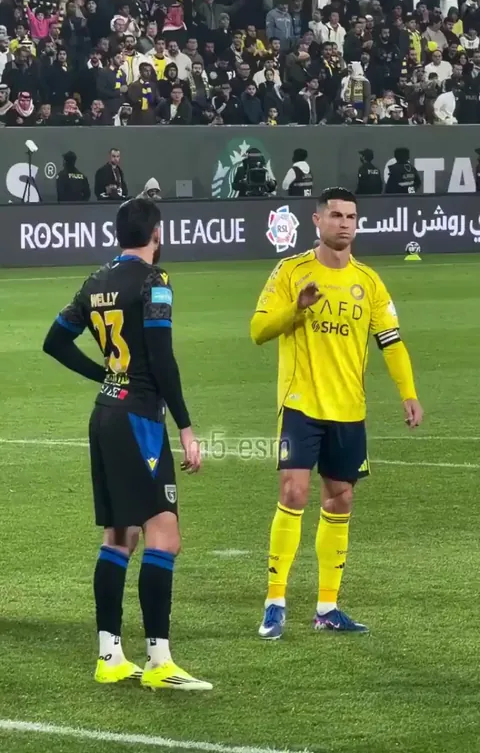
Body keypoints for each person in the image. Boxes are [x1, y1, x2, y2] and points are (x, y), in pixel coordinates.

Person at [42, 198, 211, 691]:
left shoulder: (95, 282)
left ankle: (110, 656)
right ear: (157, 234)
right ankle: (159, 661)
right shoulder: (154, 281)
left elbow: (55, 341)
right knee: (165, 534)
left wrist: (105, 377)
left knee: (120, 536)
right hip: (139, 419)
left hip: (106, 414)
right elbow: (161, 358)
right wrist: (185, 426)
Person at [250, 188, 423, 639]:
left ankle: (327, 607)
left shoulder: (369, 282)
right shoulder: (290, 271)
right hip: (301, 404)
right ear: (317, 220)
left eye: (351, 217)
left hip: (348, 409)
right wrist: (296, 309)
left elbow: (391, 342)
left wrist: (408, 393)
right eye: (336, 216)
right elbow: (258, 329)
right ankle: (274, 602)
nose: (345, 224)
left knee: (340, 499)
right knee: (293, 492)